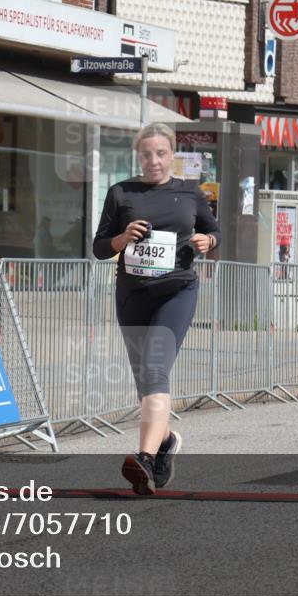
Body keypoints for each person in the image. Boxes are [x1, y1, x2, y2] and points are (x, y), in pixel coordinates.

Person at [92, 122, 220, 496]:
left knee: (155, 369)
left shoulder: (190, 193)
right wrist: (122, 236)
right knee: (144, 384)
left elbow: (215, 232)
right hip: (132, 295)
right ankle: (164, 443)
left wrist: (207, 240)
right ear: (138, 157)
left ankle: (144, 457)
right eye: (146, 154)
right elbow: (100, 247)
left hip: (176, 292)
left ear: (172, 155)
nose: (153, 161)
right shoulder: (121, 193)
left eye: (161, 154)